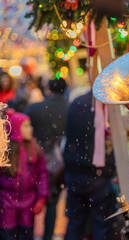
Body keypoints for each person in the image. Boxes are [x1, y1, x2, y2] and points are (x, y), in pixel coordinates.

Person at [63, 90, 118, 240]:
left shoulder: (77, 102)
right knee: (102, 223)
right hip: (96, 172)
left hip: (74, 170)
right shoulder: (104, 104)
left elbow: (69, 137)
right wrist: (109, 167)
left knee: (75, 222)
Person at [24, 78, 68, 240]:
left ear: (48, 89)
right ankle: (48, 236)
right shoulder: (68, 108)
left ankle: (30, 233)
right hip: (59, 163)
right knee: (52, 201)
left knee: (30, 199)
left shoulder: (35, 108)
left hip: (34, 160)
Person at [0, 109, 49, 240]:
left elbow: (42, 174)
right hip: (6, 202)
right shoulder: (4, 151)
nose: (31, 129)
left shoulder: (35, 149)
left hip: (28, 202)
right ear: (16, 128)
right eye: (26, 126)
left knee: (26, 234)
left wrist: (42, 197)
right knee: (7, 234)